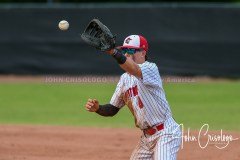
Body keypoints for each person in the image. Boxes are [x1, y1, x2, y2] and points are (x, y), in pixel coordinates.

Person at [84, 35, 181, 160]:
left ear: (143, 53)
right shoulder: (124, 79)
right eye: (124, 51)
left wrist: (114, 52)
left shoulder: (150, 68)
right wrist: (98, 108)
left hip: (166, 133)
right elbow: (113, 109)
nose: (127, 54)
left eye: (131, 51)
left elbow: (134, 68)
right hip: (146, 139)